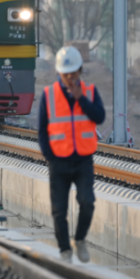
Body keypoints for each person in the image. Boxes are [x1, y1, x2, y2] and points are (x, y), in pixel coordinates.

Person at [37, 46, 106, 264]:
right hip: (58, 161)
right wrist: (49, 156)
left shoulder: (91, 92)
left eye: (73, 73)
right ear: (59, 73)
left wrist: (81, 99)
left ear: (80, 71)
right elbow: (42, 129)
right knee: (59, 210)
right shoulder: (48, 95)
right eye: (65, 73)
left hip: (83, 159)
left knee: (88, 202)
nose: (69, 77)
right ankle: (65, 251)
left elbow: (100, 117)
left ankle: (80, 239)